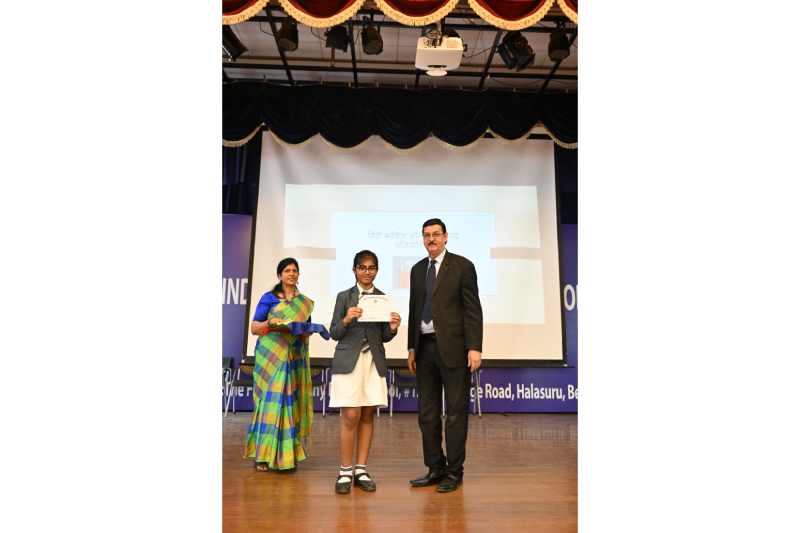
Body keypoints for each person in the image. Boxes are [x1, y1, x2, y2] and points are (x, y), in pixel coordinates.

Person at [407, 218, 483, 493]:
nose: (431, 239)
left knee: (455, 414)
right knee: (427, 414)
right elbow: (414, 309)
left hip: (454, 349)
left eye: (436, 234)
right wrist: (411, 347)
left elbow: (472, 309)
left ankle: (454, 472)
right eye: (426, 235)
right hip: (424, 349)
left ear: (446, 237)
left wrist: (475, 347)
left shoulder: (462, 266)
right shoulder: (417, 270)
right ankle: (435, 468)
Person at [329, 250, 401, 494]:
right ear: (354, 270)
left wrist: (393, 328)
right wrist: (347, 319)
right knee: (351, 415)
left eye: (371, 268)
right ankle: (345, 470)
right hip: (348, 360)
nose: (367, 272)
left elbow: (383, 336)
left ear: (377, 270)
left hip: (373, 361)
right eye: (362, 267)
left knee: (368, 415)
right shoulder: (344, 297)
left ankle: (361, 469)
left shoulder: (382, 298)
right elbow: (334, 332)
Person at [244, 257, 315, 472]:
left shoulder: (304, 303)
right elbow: (255, 328)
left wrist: (308, 331)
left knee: (288, 403)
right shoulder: (269, 298)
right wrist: (271, 322)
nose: (291, 274)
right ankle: (262, 456)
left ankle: (287, 457)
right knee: (269, 403)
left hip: (292, 356)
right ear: (280, 275)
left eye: (295, 270)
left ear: (298, 274)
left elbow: (305, 331)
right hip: (270, 356)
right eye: (287, 270)